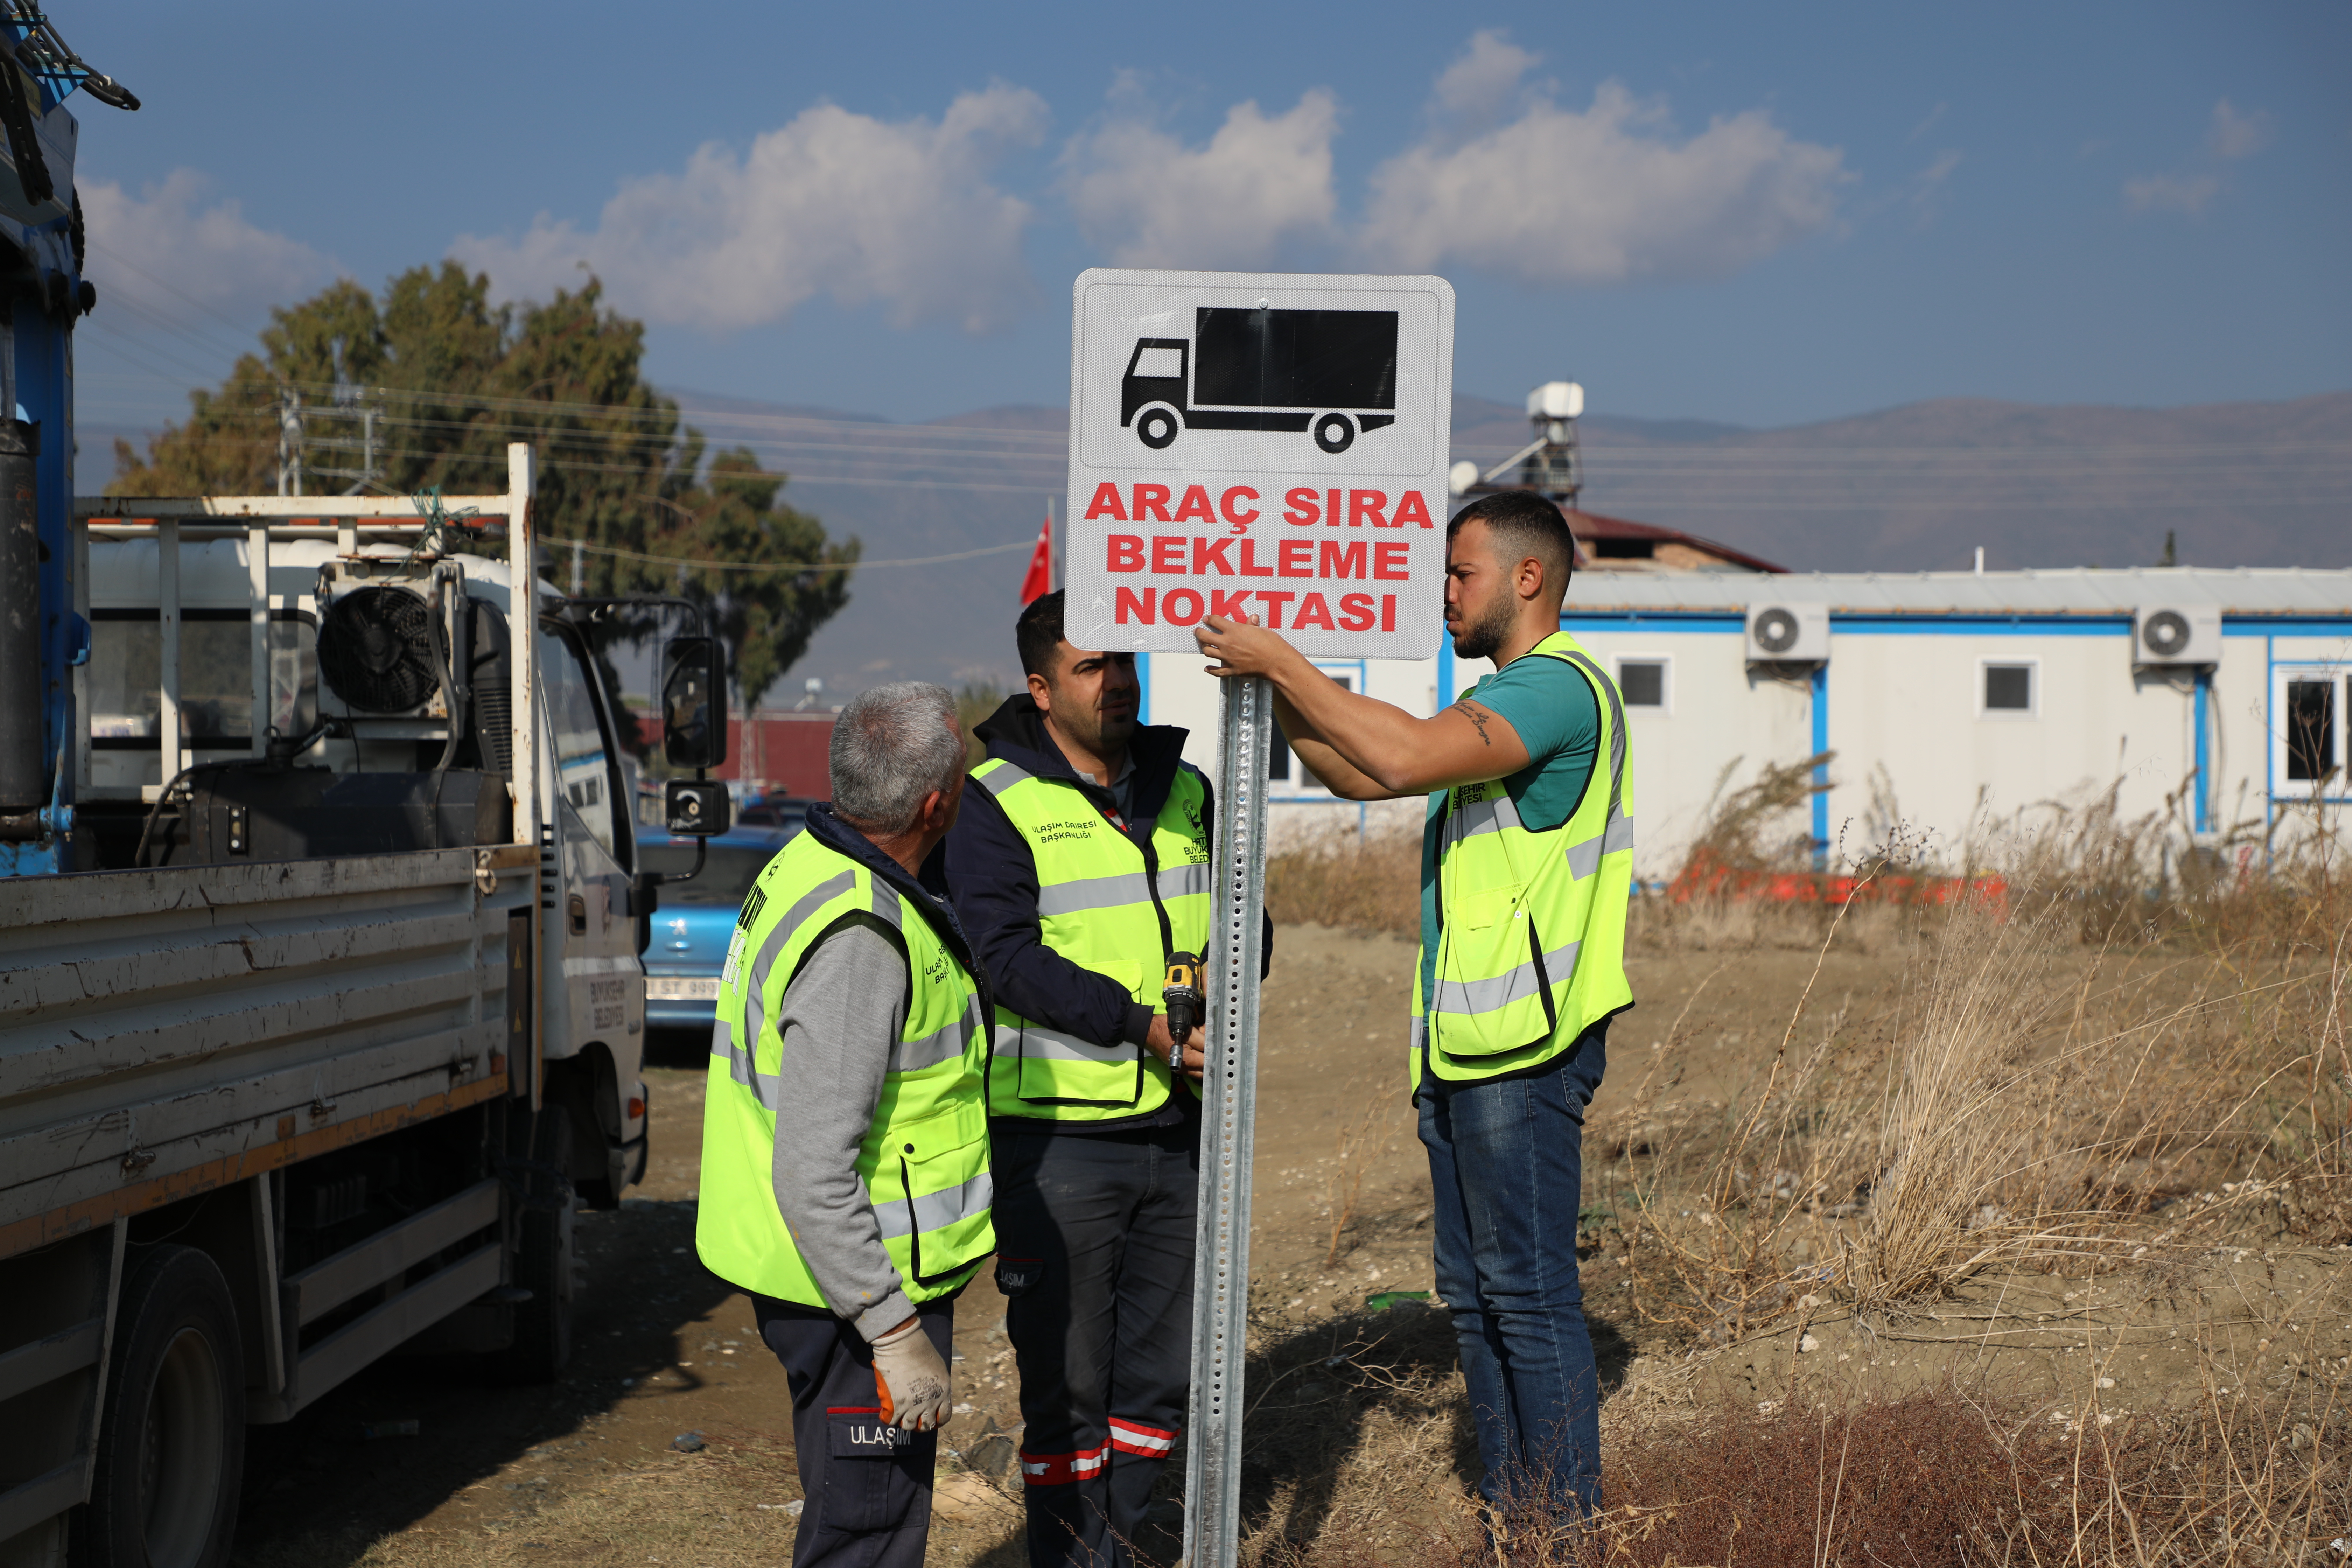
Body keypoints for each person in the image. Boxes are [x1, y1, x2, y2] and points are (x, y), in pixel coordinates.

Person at [1191, 490, 1632, 1528]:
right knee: (1478, 1307)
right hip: (1467, 1052)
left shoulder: (1557, 691)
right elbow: (1353, 771)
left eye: (1460, 573)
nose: (1444, 593)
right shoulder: (1496, 708)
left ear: (1528, 579)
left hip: (1526, 1053)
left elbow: (1395, 754)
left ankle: (1562, 1533)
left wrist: (1286, 662)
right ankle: (1512, 1517)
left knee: (1526, 1301)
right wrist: (1281, 692)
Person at [944, 589, 1255, 1568]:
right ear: (1041, 689)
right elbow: (1004, 958)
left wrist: (1230, 977)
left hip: (1185, 1131)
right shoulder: (994, 800)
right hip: (1061, 1142)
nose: (1115, 681)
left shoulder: (1190, 789)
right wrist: (1141, 1026)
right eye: (1090, 667)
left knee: (1160, 1385)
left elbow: (1251, 919)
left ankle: (1120, 1548)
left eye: (1122, 660)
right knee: (1068, 1389)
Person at [696, 681, 994, 1568]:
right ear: (935, 803)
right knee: (866, 1535)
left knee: (857, 1519)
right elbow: (816, 1170)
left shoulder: (809, 861)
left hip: (821, 1275)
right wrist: (892, 1330)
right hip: (855, 1288)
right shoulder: (863, 935)